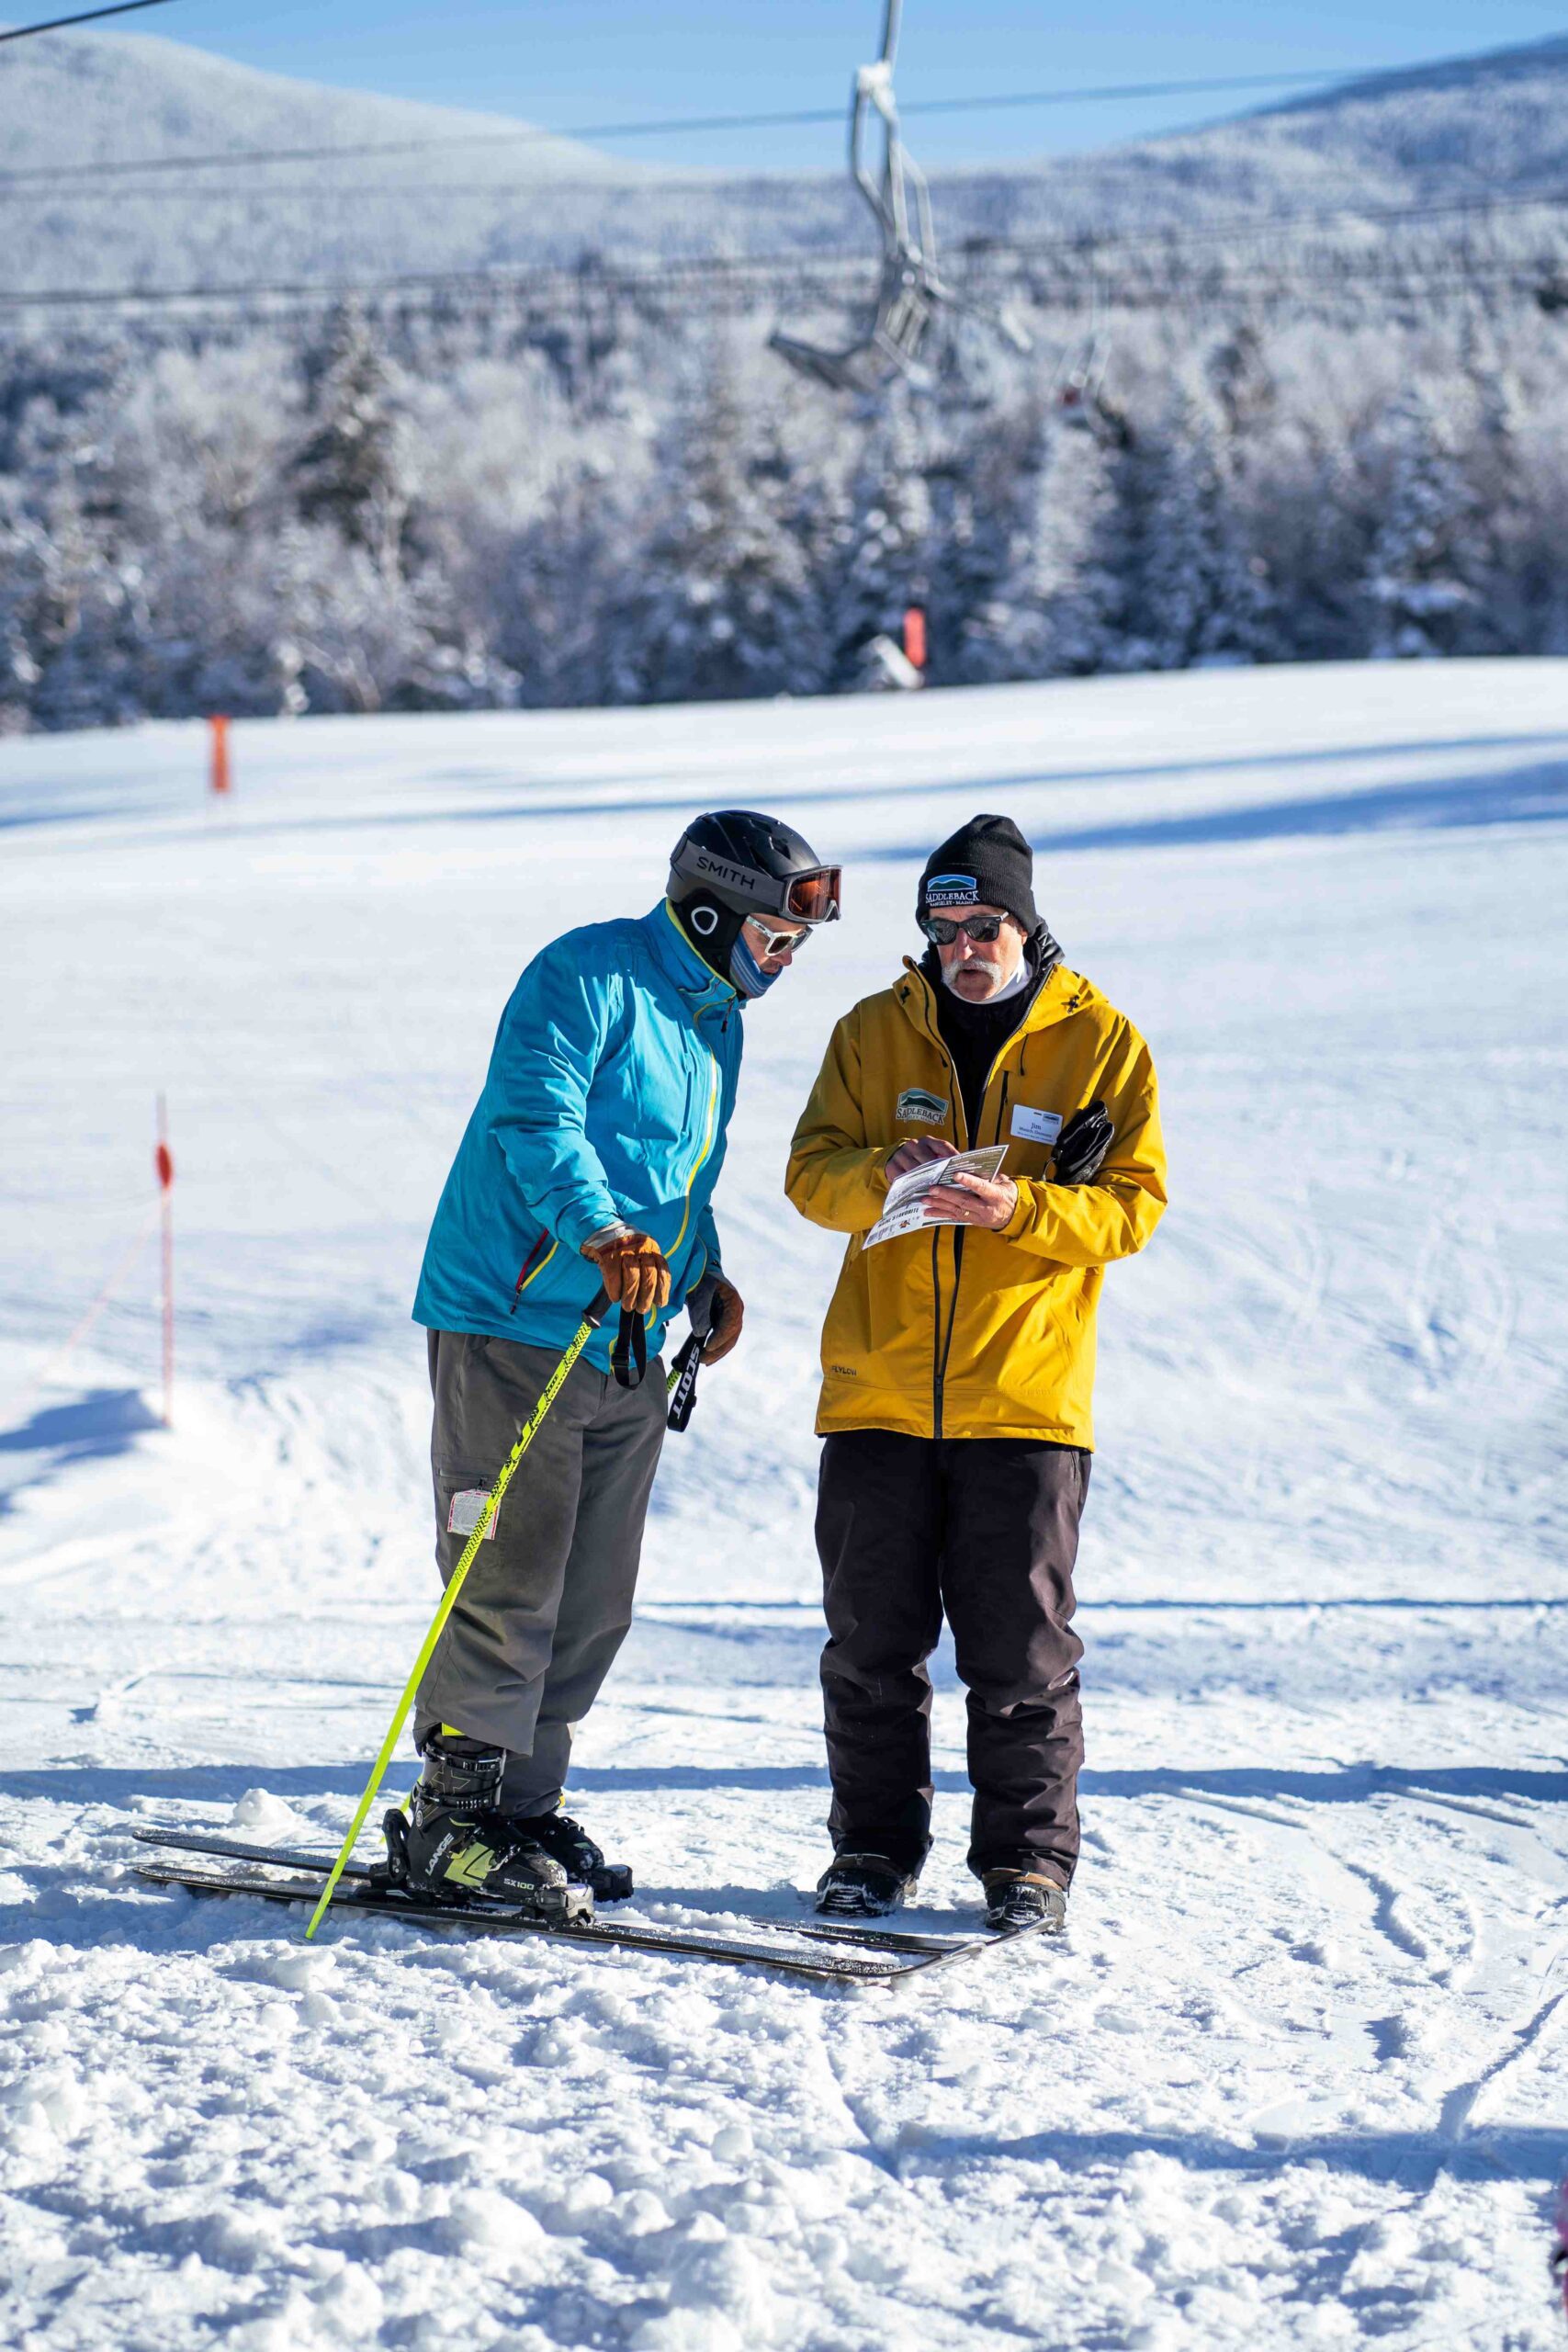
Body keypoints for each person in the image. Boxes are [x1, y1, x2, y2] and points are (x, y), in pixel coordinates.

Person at [403, 811, 842, 1915]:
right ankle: (452, 1824)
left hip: (626, 1333)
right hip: (517, 1321)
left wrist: (703, 1274)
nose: (781, 964)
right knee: (506, 1577)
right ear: (708, 911)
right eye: (773, 939)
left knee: (593, 1596)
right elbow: (536, 1119)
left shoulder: (714, 1018)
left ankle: (519, 1807)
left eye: (794, 946)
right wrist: (601, 1232)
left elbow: (674, 1178)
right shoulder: (584, 971)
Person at [784, 813, 1166, 1931]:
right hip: (877, 1396)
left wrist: (1020, 1206)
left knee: (1021, 1655)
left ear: (1025, 921)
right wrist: (876, 1174)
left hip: (1026, 1400)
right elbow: (811, 1176)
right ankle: (870, 1853)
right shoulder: (872, 1032)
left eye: (982, 922)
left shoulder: (1101, 1041)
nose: (962, 944)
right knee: (869, 1649)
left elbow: (1133, 1204)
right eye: (942, 925)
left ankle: (1027, 1865)